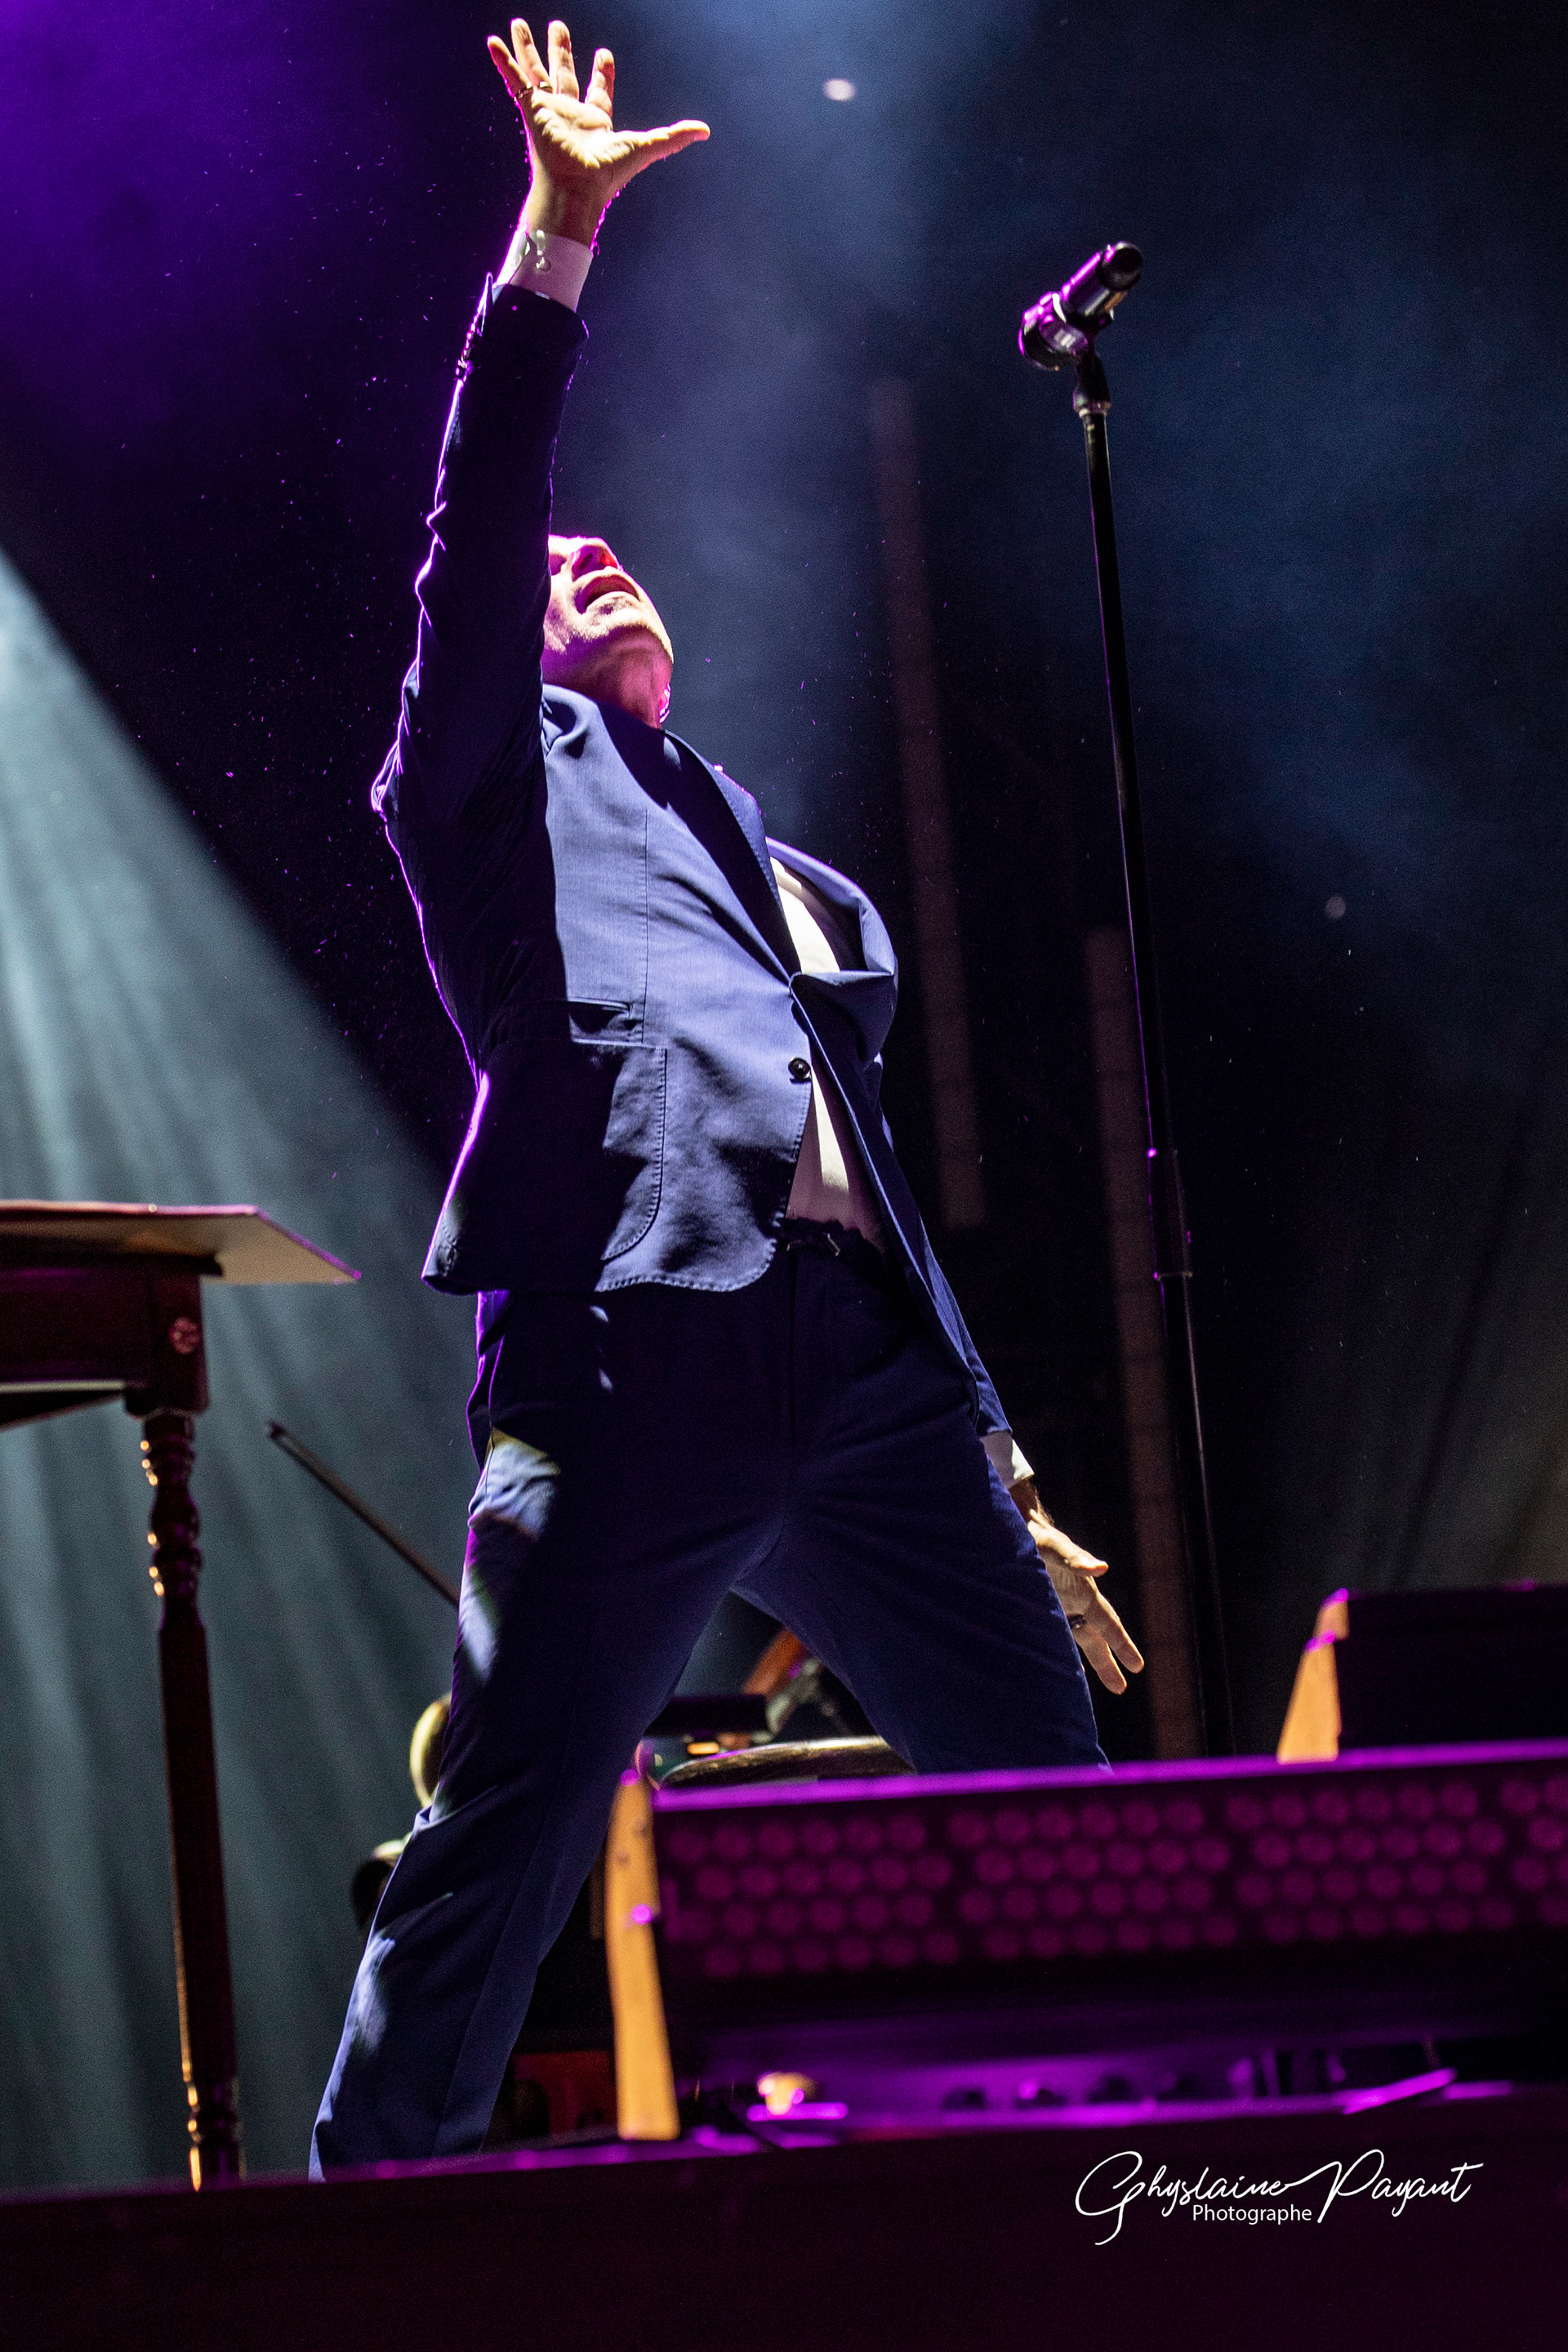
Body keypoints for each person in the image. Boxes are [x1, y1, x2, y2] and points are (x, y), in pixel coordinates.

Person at [311, 18, 1143, 2172]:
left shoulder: (774, 858)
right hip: (635, 1346)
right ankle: (354, 2230)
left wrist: (1000, 1458)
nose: (587, 562)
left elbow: (871, 1173)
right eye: (554, 577)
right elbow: (479, 525)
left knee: (1052, 1794)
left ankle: (1126, 2185)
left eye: (615, 558)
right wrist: (554, 243)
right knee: (507, 1829)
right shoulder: (492, 789)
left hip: (868, 1378)